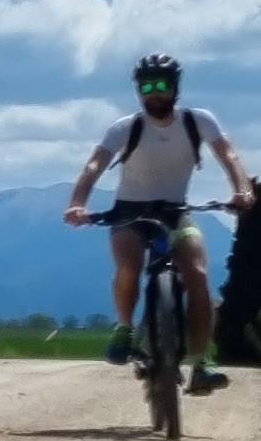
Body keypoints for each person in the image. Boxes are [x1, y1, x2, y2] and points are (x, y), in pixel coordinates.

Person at [62, 54, 250, 398]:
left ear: (175, 88)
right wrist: (78, 203)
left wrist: (241, 190)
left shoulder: (198, 122)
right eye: (146, 86)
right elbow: (94, 166)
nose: (154, 93)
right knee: (129, 267)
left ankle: (200, 363)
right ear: (138, 90)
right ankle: (123, 328)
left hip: (176, 213)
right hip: (128, 214)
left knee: (197, 274)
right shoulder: (126, 127)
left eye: (162, 85)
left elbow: (230, 155)